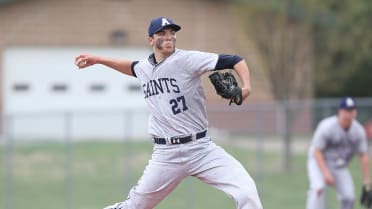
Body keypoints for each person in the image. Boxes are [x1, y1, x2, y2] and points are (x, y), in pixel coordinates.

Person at [75, 17, 263, 209]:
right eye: (162, 33)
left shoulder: (188, 59)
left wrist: (246, 86)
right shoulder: (144, 68)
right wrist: (98, 60)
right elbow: (131, 67)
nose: (169, 37)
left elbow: (235, 60)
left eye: (172, 33)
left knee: (247, 192)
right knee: (136, 206)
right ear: (151, 40)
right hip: (166, 155)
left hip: (201, 149)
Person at [306, 96, 370, 209]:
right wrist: (325, 173)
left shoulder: (358, 130)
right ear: (340, 111)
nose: (350, 113)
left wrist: (367, 183)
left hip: (339, 166)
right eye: (347, 110)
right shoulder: (327, 126)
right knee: (318, 188)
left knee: (349, 197)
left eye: (352, 110)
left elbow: (363, 155)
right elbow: (317, 151)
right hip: (318, 162)